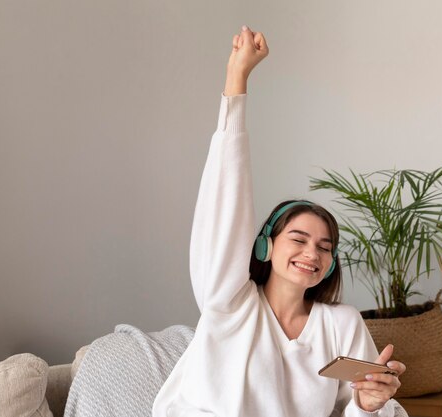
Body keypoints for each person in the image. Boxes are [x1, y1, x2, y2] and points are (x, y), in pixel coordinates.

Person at [152, 26, 407, 417]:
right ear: (265, 246)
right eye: (299, 239)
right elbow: (225, 205)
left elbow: (354, 412)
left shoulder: (342, 323)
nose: (313, 253)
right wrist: (237, 80)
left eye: (325, 247)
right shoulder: (230, 304)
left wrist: (370, 404)